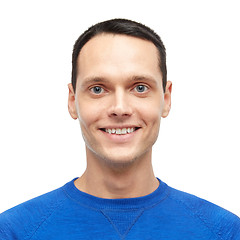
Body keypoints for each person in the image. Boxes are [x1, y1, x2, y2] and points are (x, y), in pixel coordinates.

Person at [0, 18, 239, 240]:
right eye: (97, 89)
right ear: (72, 101)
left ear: (166, 99)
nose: (120, 108)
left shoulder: (224, 231)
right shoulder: (14, 231)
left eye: (140, 87)